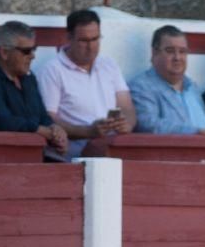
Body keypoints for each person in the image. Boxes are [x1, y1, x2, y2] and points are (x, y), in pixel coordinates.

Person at [37, 9, 136, 159]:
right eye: (84, 41)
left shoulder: (108, 64)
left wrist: (126, 124)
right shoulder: (52, 70)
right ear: (69, 38)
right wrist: (88, 131)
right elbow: (49, 120)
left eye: (95, 39)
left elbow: (127, 107)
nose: (91, 47)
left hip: (108, 156)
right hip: (69, 161)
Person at [0, 21, 68, 157]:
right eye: (26, 51)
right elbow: (4, 121)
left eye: (34, 49)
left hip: (33, 156)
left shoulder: (29, 78)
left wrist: (55, 129)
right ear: (4, 52)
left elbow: (42, 116)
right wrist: (39, 130)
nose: (33, 55)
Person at [129, 25, 205, 137]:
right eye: (170, 51)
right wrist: (195, 132)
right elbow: (148, 125)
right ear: (154, 53)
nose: (177, 57)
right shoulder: (141, 87)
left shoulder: (192, 87)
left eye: (182, 51)